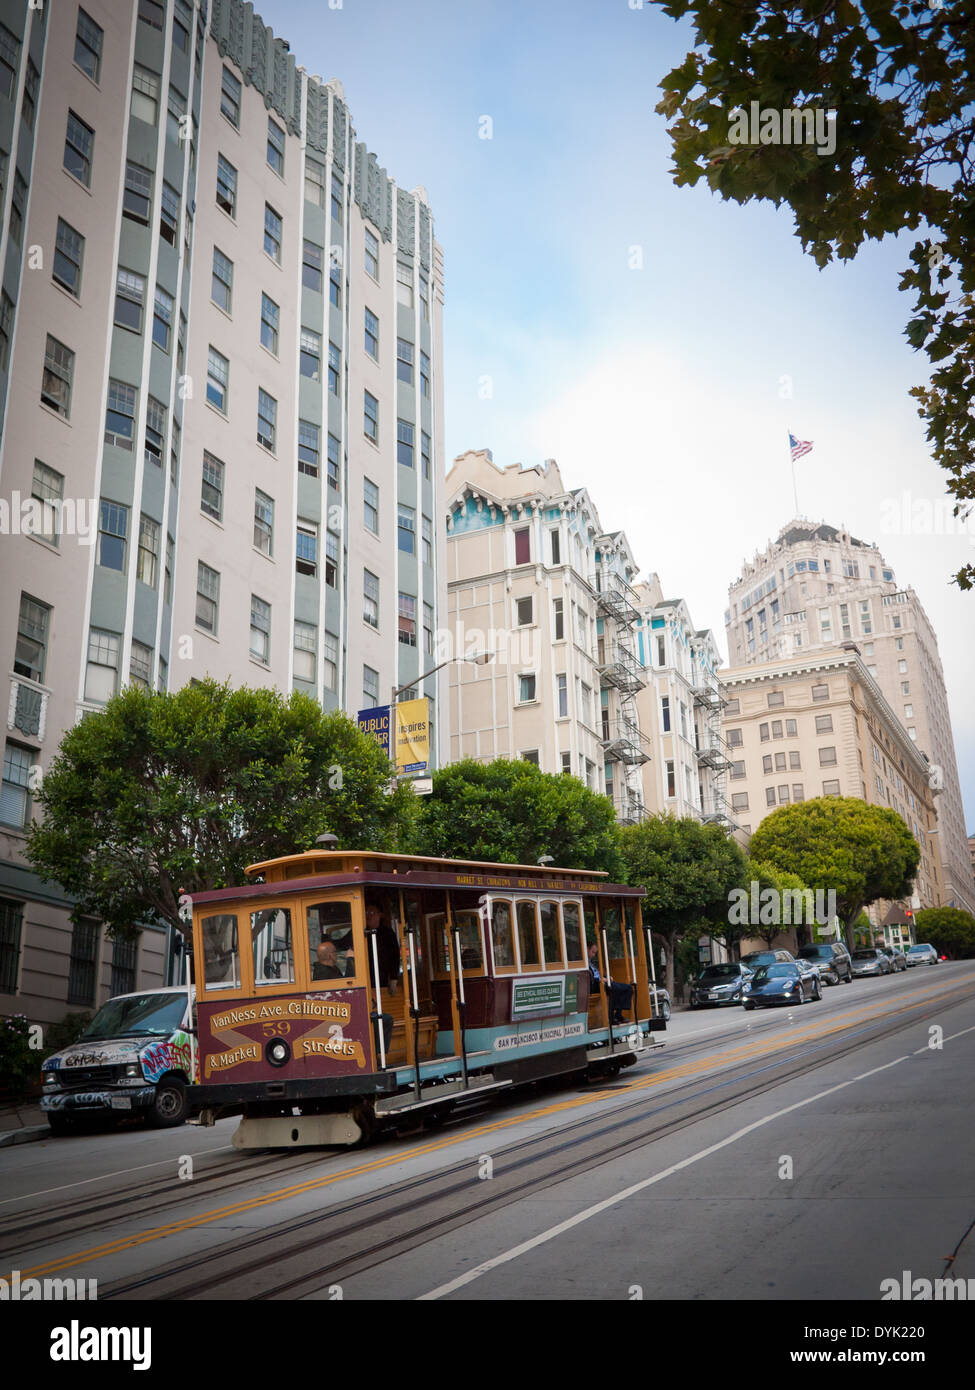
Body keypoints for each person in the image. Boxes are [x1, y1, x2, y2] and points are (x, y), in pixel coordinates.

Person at [588, 942, 634, 1024]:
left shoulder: (592, 962)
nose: (594, 955)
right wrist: (602, 979)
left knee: (628, 988)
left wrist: (607, 977)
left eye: (595, 953)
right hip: (594, 984)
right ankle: (611, 1017)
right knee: (613, 989)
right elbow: (588, 977)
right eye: (593, 952)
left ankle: (618, 1013)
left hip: (602, 981)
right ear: (587, 949)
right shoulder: (583, 962)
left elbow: (598, 972)